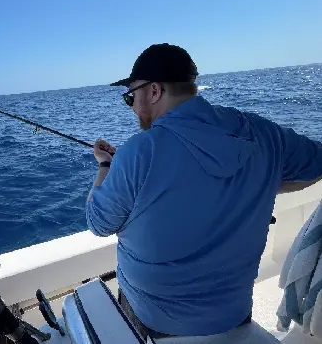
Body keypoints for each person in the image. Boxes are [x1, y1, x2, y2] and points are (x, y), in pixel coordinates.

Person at [85, 43, 322, 340]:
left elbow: (98, 223)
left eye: (130, 95)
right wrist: (262, 182)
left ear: (154, 91)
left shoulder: (136, 153)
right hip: (232, 314)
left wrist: (106, 166)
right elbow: (316, 165)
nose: (131, 104)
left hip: (154, 318)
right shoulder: (263, 133)